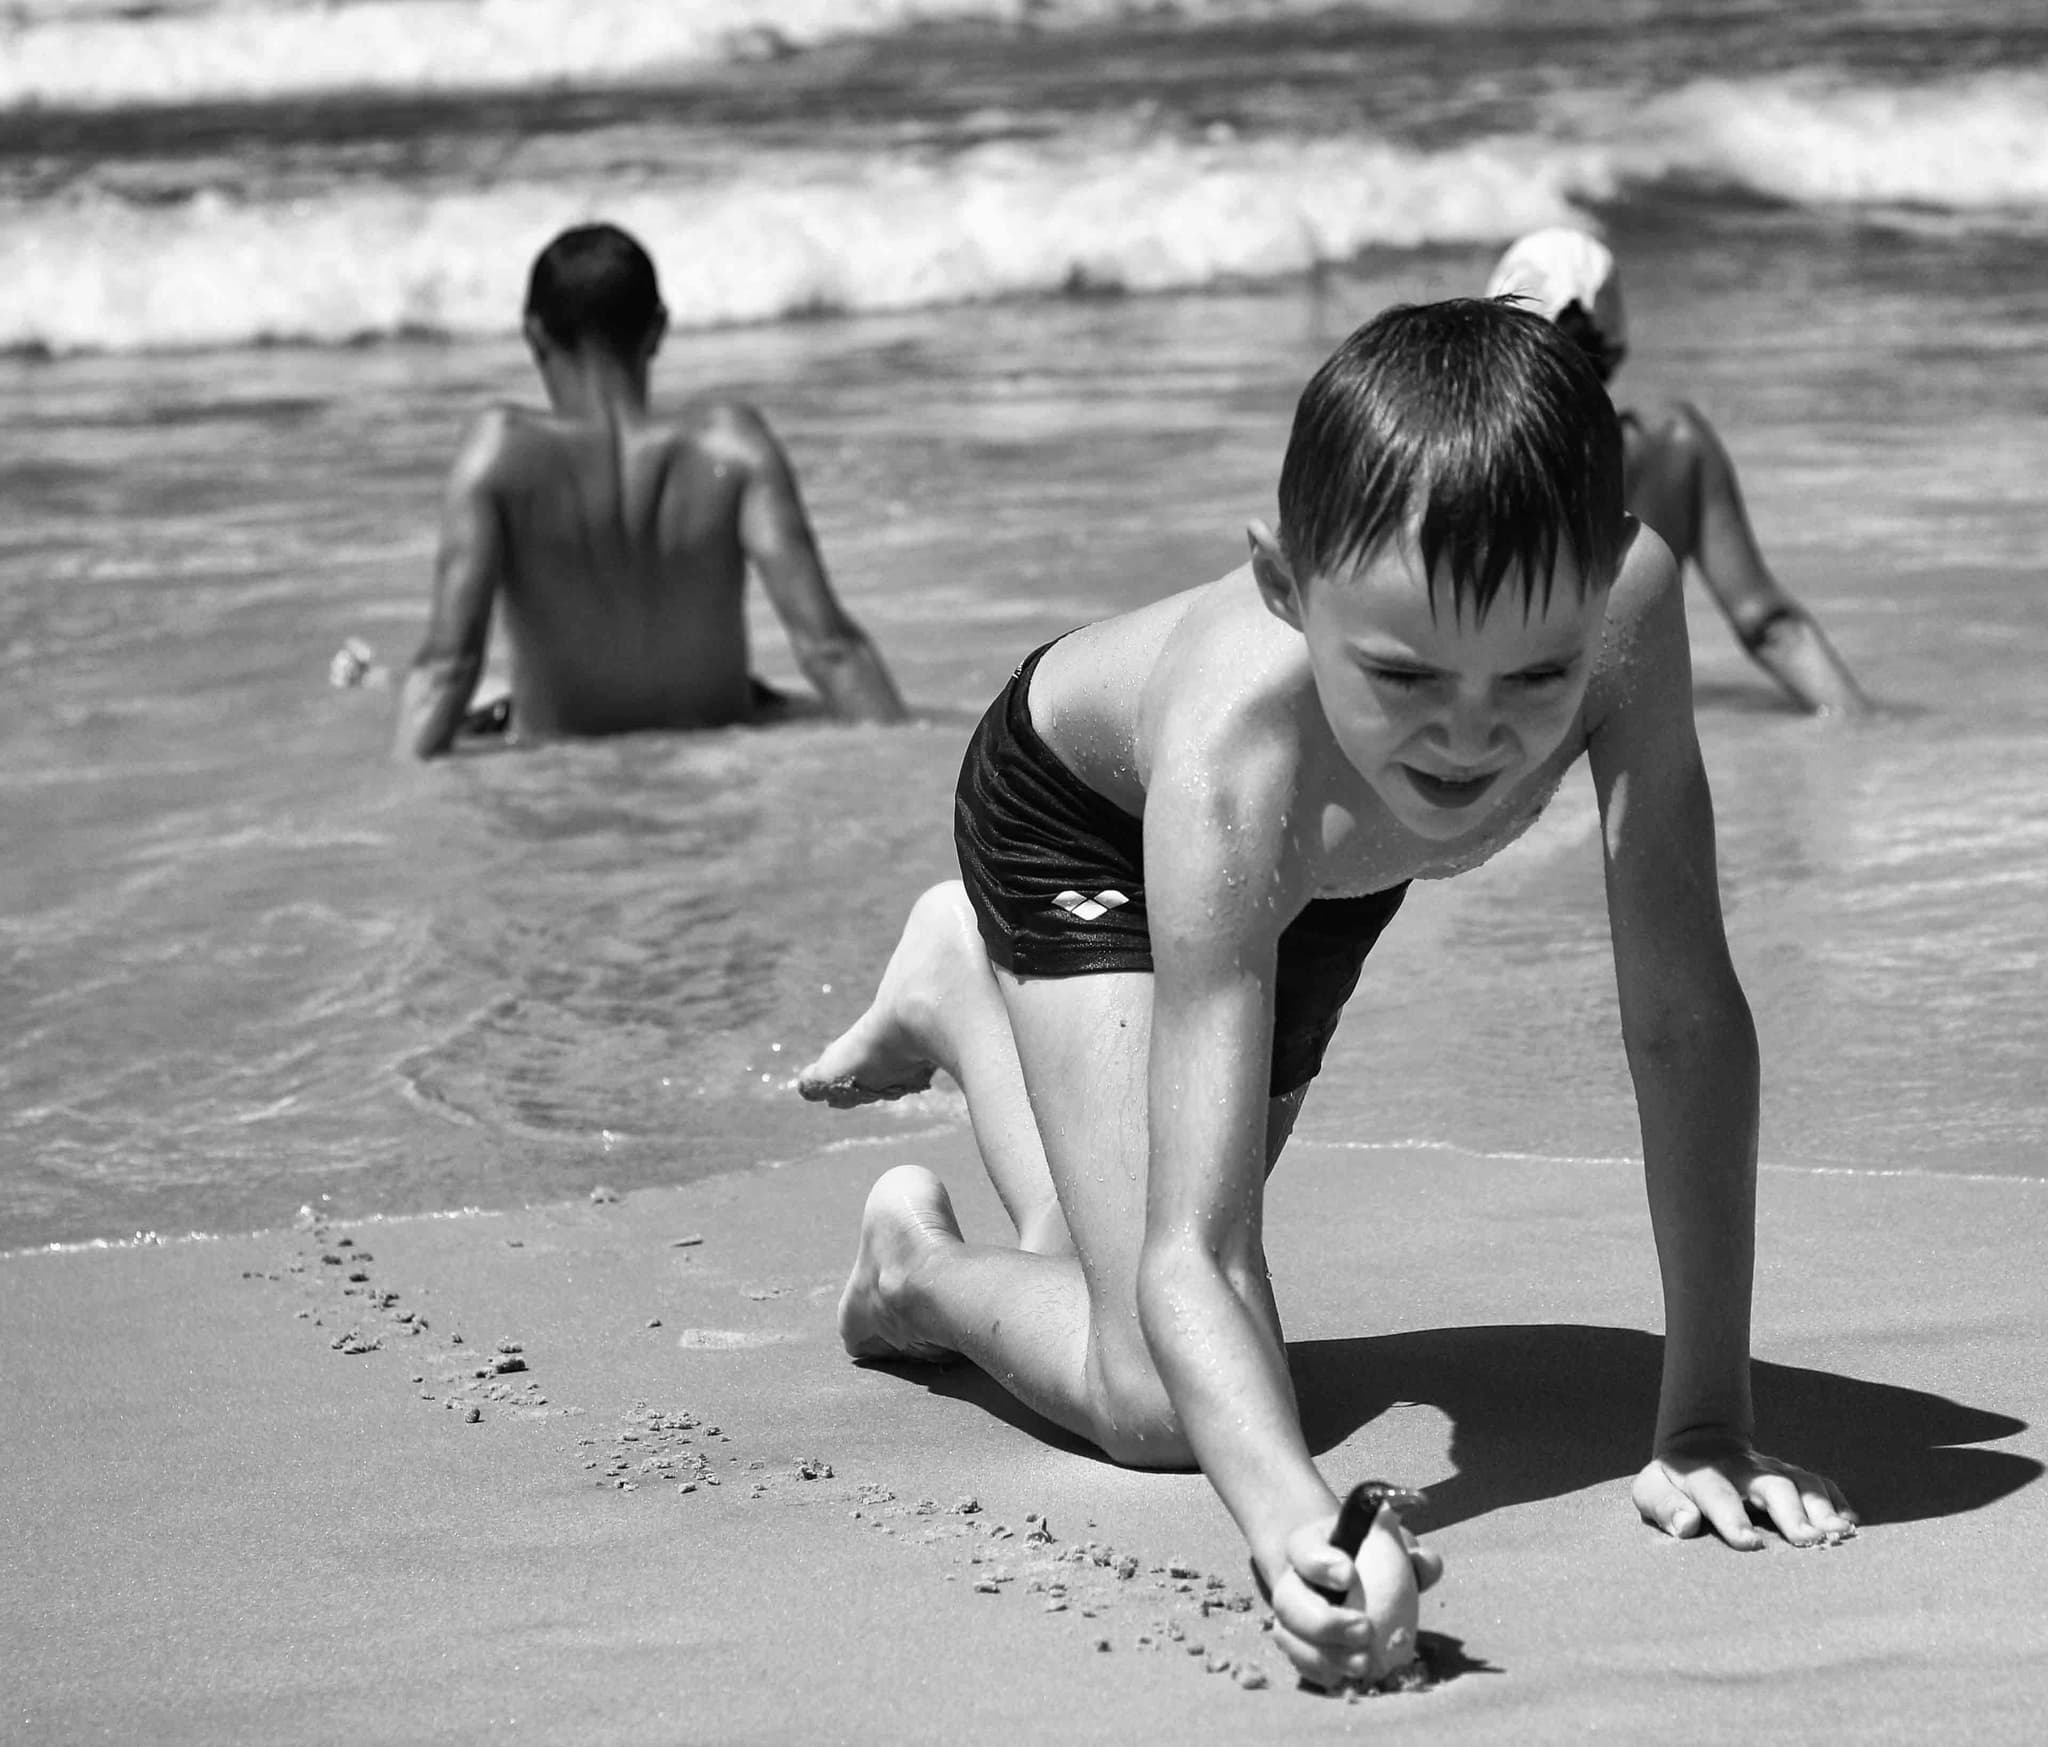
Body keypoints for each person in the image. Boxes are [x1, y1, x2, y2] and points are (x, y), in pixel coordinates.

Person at [795, 299, 1857, 1692]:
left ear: (1600, 578)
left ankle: (960, 991)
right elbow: (1201, 1247)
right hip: (1092, 822)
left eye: (1535, 676)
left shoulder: (1628, 612)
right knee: (1154, 1395)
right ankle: (910, 1270)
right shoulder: (1237, 751)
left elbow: (1682, 1017)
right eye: (1407, 674)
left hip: (1328, 874)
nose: (1474, 737)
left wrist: (1707, 1417)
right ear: (1289, 585)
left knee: (1090, 1244)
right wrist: (1298, 1523)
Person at [393, 222, 906, 758]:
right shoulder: (731, 446)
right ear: (658, 329)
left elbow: (447, 668)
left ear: (534, 335)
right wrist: (907, 766)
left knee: (468, 694)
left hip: (561, 762)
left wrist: (388, 807)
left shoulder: (499, 455)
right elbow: (829, 648)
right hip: (716, 755)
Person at [1486, 227, 1871, 717]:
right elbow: (1770, 628)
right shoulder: (1678, 447)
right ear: (1618, 346)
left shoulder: (1467, 458)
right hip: (1629, 735)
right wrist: (1866, 731)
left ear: (1493, 345)